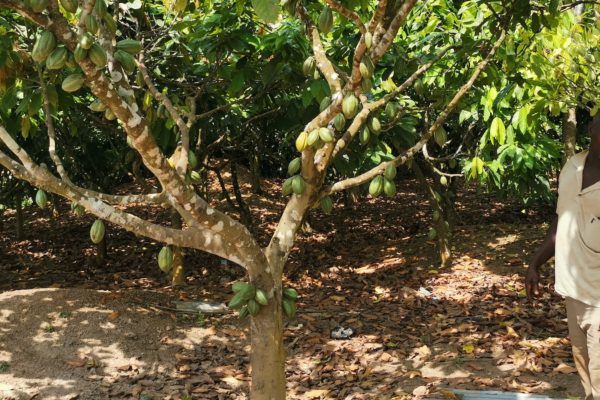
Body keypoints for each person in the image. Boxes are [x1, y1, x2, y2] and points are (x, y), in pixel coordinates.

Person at [527, 114, 600, 400]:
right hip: (573, 288)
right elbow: (561, 220)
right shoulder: (572, 167)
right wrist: (536, 262)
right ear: (592, 130)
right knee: (584, 367)